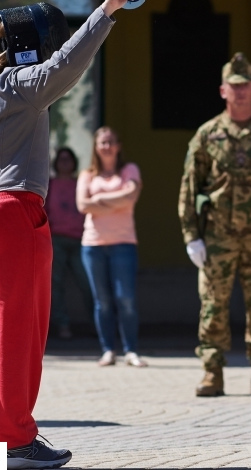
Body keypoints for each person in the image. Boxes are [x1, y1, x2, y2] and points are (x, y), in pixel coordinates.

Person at [0, 0, 135, 469]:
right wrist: (107, 8)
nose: (48, 49)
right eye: (44, 42)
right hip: (17, 214)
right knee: (20, 330)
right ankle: (16, 442)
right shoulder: (23, 83)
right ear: (27, 45)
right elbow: (69, 62)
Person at [179, 52, 251, 397]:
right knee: (213, 305)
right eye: (233, 87)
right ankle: (212, 372)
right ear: (223, 90)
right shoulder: (207, 134)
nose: (239, 92)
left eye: (245, 86)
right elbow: (189, 185)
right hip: (218, 237)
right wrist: (191, 235)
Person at [76, 128, 145, 368]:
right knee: (102, 301)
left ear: (118, 146)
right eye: (102, 142)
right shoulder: (87, 174)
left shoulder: (130, 170)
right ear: (96, 146)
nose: (106, 146)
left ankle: (131, 351)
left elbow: (132, 196)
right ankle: (108, 350)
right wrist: (117, 200)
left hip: (124, 244)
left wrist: (98, 202)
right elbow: (83, 205)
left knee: (125, 298)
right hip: (93, 246)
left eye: (110, 142)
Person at [46, 147, 92, 340]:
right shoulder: (49, 184)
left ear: (74, 163)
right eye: (61, 159)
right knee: (56, 285)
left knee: (88, 283)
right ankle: (63, 325)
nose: (65, 163)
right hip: (56, 240)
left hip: (81, 240)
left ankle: (95, 324)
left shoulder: (81, 183)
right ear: (56, 163)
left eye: (68, 159)